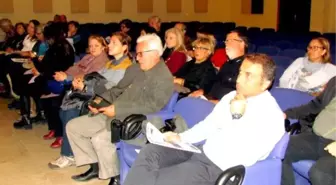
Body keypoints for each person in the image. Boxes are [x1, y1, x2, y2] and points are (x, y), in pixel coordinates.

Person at [124, 53, 285, 185]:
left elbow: (244, 156)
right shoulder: (231, 96)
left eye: (248, 75)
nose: (239, 79)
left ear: (265, 83)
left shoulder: (272, 116)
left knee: (160, 179)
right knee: (150, 152)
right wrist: (180, 137)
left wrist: (237, 117)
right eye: (240, 72)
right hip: (199, 150)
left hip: (217, 168)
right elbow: (208, 126)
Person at [65, 34, 174, 184]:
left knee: (100, 139)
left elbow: (152, 106)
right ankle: (95, 167)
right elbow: (117, 90)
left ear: (155, 54)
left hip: (131, 120)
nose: (137, 58)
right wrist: (98, 103)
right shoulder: (135, 69)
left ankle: (116, 176)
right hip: (112, 111)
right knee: (73, 127)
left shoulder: (164, 77)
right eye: (137, 54)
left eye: (141, 54)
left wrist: (117, 110)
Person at [281, 76, 336, 185]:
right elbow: (315, 105)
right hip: (316, 138)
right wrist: (287, 114)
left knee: (320, 174)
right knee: (279, 147)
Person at [189, 30, 248, 104]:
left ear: (242, 43)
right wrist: (202, 91)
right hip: (210, 99)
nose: (226, 44)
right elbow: (214, 83)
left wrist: (220, 103)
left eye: (230, 40)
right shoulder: (227, 64)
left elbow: (245, 96)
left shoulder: (247, 65)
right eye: (226, 41)